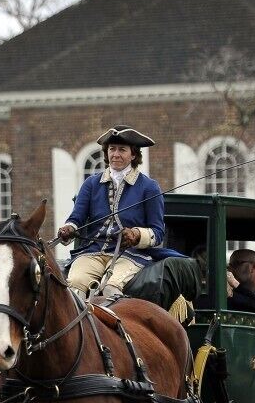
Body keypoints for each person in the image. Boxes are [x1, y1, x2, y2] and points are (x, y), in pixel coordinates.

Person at [57, 125, 170, 296]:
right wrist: (69, 228)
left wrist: (136, 234)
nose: (115, 154)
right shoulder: (91, 184)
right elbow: (76, 218)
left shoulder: (150, 187)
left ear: (133, 154)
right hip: (93, 252)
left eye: (122, 150)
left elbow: (158, 232)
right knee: (74, 284)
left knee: (110, 287)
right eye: (112, 149)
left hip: (131, 254)